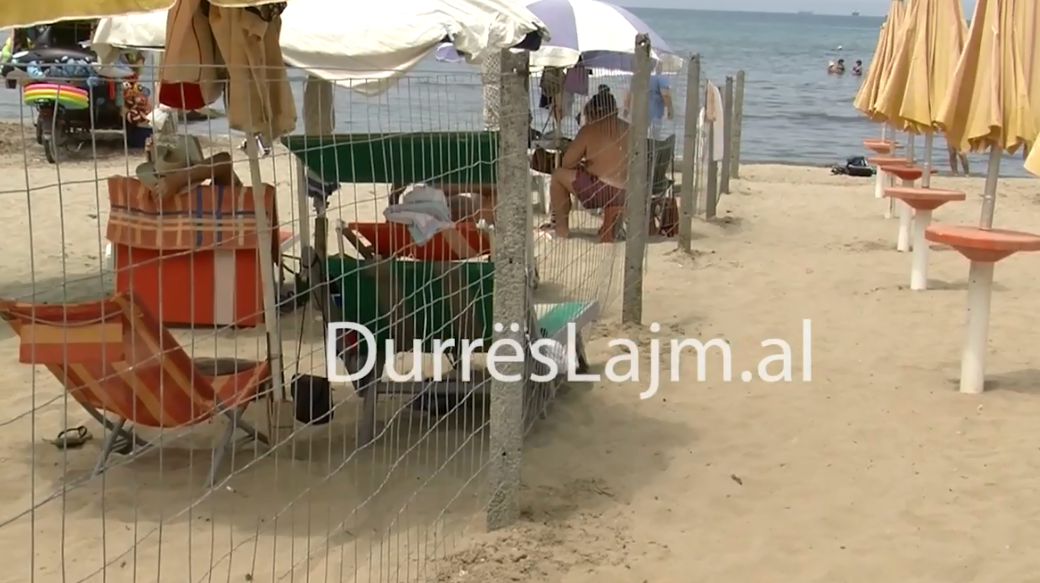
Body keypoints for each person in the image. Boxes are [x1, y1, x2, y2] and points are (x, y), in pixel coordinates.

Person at [545, 87, 629, 238]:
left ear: (592, 113)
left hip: (602, 192)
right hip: (629, 192)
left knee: (558, 175)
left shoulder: (589, 130)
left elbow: (567, 163)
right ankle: (613, 225)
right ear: (615, 110)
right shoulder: (629, 128)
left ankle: (561, 229)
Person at [623, 66, 673, 140]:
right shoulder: (661, 78)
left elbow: (629, 94)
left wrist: (626, 108)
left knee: (640, 136)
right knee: (655, 137)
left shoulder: (636, 78)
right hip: (655, 114)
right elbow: (666, 95)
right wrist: (670, 109)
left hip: (638, 113)